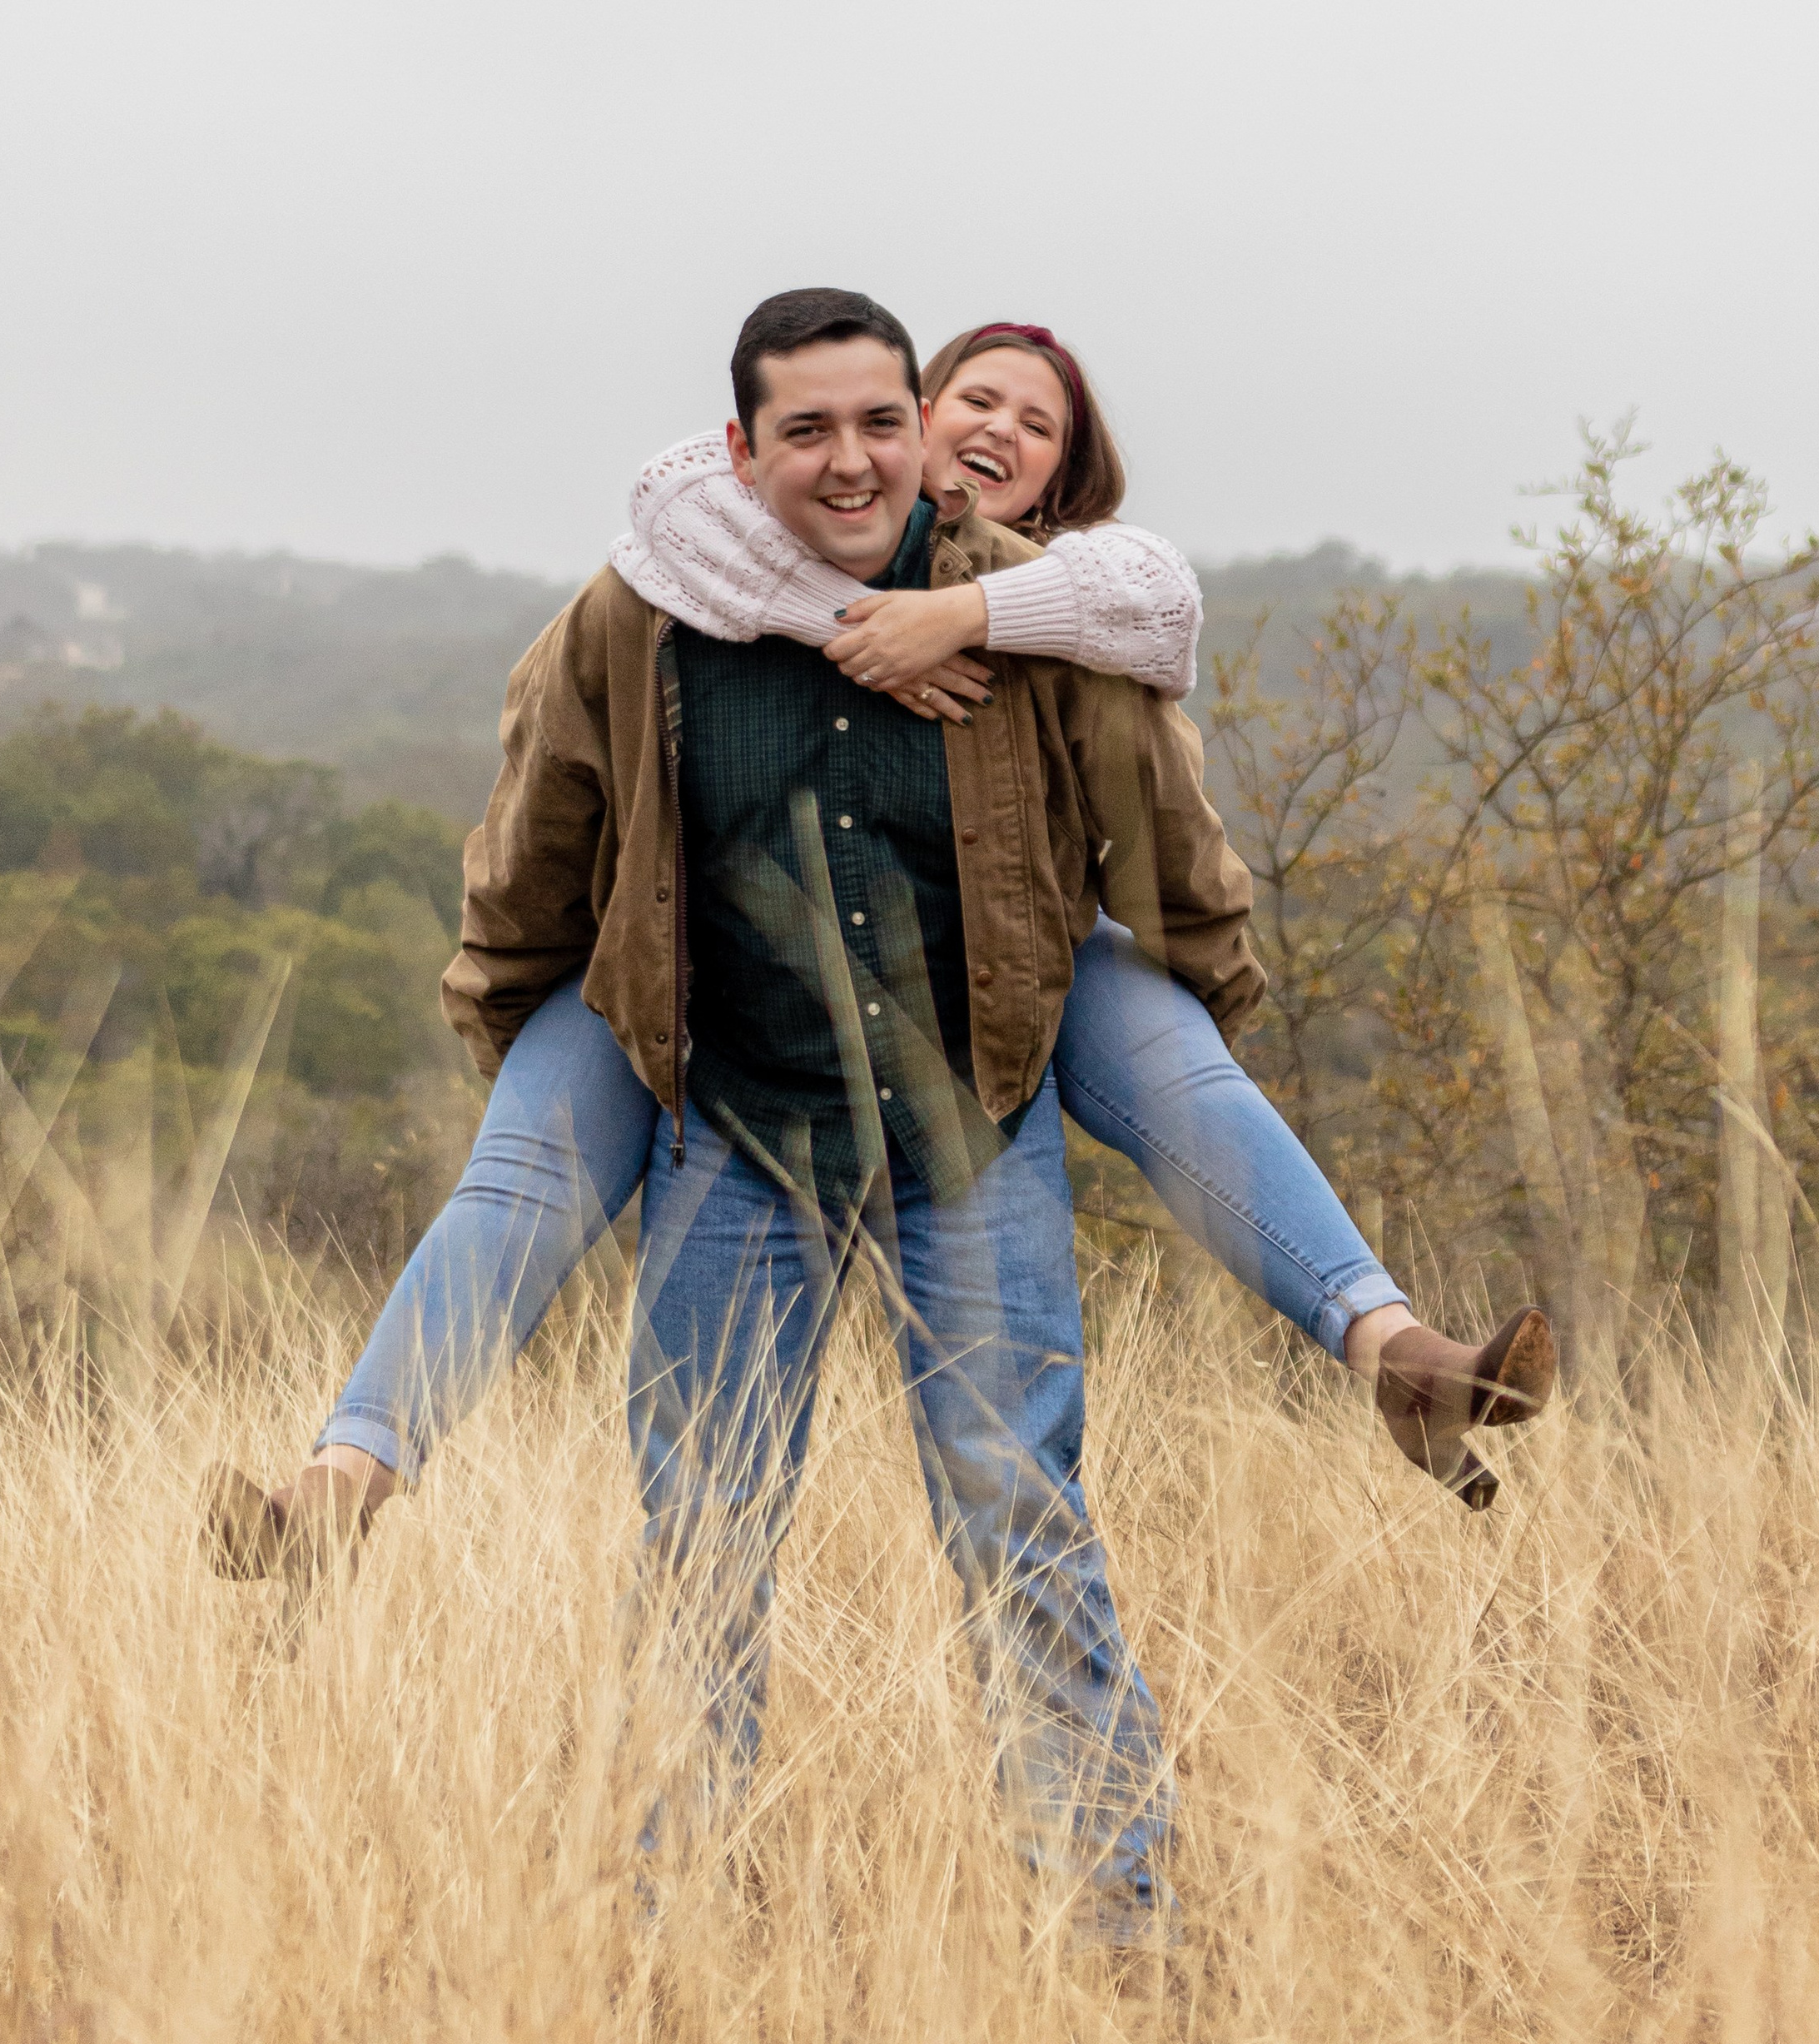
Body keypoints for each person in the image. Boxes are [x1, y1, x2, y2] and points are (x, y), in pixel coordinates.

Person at [205, 300, 1554, 1594]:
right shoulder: (683, 575)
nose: (993, 433)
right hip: (703, 1048)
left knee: (1025, 1491)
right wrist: (853, 624)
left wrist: (966, 616)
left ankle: (1390, 1353)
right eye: (980, 398)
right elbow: (657, 568)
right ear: (914, 413)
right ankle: (344, 1485)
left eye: (1041, 425)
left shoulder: (1063, 603)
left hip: (986, 1057)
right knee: (591, 1322)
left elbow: (1156, 658)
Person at [216, 289, 1274, 1921]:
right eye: (806, 431)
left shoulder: (1021, 609)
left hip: (964, 1137)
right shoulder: (644, 618)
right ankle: (675, 1916)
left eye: (876, 424)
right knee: (698, 1531)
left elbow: (1161, 782)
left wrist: (1194, 999)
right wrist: (535, 1039)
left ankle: (1115, 1919)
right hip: (736, 1138)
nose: (850, 461)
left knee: (1021, 1523)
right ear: (741, 445)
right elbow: (537, 834)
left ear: (918, 432)